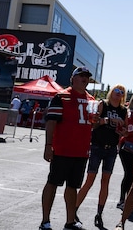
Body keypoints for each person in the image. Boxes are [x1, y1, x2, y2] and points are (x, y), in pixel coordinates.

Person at [40, 66, 95, 230]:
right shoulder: (61, 97)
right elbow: (51, 122)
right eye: (81, 76)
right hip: (63, 150)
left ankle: (70, 221)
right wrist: (48, 145)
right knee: (53, 183)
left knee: (73, 187)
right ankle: (45, 221)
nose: (84, 79)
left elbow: (92, 124)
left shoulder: (92, 100)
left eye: (87, 76)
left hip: (81, 152)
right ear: (73, 78)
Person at [75, 85, 127, 229]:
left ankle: (99, 213)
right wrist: (104, 120)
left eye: (122, 92)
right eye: (117, 91)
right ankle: (73, 209)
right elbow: (93, 124)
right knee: (90, 179)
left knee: (105, 181)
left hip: (111, 149)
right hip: (97, 146)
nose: (119, 94)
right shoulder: (103, 104)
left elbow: (125, 131)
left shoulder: (123, 111)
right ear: (112, 92)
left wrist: (122, 129)